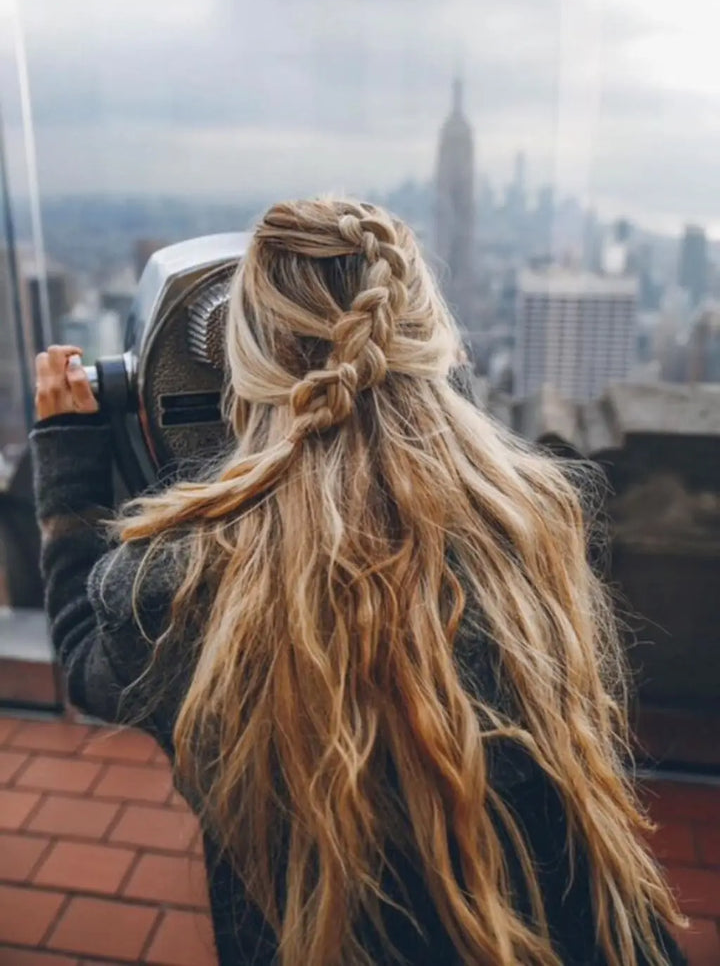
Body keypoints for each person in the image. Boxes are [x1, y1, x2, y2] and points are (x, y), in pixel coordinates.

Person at [31, 198, 686, 966]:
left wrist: (70, 459)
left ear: (243, 369)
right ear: (430, 347)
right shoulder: (536, 521)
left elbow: (86, 662)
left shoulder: (180, 590)